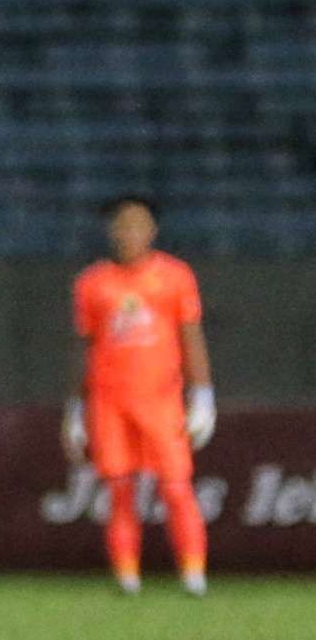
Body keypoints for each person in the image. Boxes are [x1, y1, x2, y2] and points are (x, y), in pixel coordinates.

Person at [66, 195, 216, 596]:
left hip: (161, 400)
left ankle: (193, 571)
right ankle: (127, 575)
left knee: (176, 486)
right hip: (108, 402)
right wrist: (76, 408)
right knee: (119, 489)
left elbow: (191, 336)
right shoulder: (92, 283)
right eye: (123, 225)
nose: (130, 233)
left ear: (152, 230)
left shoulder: (175, 277)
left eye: (138, 224)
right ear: (112, 231)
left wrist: (202, 395)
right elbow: (86, 347)